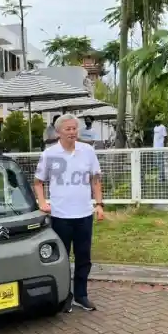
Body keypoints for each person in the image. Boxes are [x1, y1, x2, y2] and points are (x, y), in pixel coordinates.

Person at [33, 113, 104, 312]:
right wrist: (42, 202)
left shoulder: (88, 151)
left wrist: (99, 204)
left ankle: (81, 295)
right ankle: (64, 296)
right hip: (60, 216)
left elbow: (96, 179)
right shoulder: (49, 154)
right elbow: (38, 183)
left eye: (75, 128)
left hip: (83, 215)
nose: (73, 132)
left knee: (84, 258)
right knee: (61, 259)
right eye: (68, 129)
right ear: (58, 132)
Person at [153, 118, 168, 182]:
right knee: (158, 162)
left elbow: (165, 137)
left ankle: (161, 177)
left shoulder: (163, 127)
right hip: (155, 147)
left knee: (160, 162)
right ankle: (160, 176)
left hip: (160, 147)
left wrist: (164, 146)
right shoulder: (155, 128)